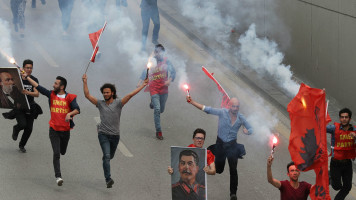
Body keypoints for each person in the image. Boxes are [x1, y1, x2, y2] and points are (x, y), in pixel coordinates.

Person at [82, 74, 148, 188]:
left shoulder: (118, 104)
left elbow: (130, 95)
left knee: (109, 156)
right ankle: (108, 179)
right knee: (107, 156)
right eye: (104, 92)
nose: (105, 94)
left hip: (115, 136)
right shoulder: (100, 104)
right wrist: (85, 82)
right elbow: (87, 95)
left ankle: (105, 160)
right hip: (103, 134)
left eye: (107, 92)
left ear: (112, 93)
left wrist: (143, 85)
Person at [186, 96, 252, 200]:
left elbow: (251, 128)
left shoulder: (241, 117)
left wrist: (247, 131)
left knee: (233, 170)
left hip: (232, 146)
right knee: (219, 169)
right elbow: (207, 109)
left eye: (237, 106)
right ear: (229, 106)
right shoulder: (222, 112)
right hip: (220, 145)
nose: (235, 108)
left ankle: (233, 194)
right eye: (233, 106)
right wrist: (192, 102)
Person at [22, 74, 80, 186]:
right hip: (54, 130)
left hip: (65, 131)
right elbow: (38, 87)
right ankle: (58, 176)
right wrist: (27, 77)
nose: (53, 85)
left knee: (63, 151)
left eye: (56, 84)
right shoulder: (51, 95)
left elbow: (77, 109)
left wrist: (70, 114)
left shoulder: (70, 97)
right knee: (56, 153)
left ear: (62, 87)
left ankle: (60, 163)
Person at [137, 44, 175, 140]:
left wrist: (169, 80)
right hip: (153, 88)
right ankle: (159, 131)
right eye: (156, 51)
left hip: (164, 89)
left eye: (159, 52)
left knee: (161, 110)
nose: (157, 53)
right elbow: (145, 71)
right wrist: (140, 82)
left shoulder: (167, 61)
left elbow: (173, 72)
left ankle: (153, 104)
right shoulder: (152, 61)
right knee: (157, 110)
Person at [12, 59, 42, 153]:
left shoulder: (34, 80)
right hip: (19, 106)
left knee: (29, 129)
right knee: (22, 124)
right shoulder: (16, 79)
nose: (29, 69)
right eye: (27, 68)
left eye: (30, 68)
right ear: (23, 68)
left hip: (30, 107)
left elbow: (37, 94)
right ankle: (16, 128)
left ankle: (22, 145)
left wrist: (28, 92)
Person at [326, 108, 356, 200]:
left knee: (347, 187)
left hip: (347, 163)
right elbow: (321, 127)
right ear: (339, 118)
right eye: (342, 117)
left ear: (349, 119)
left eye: (346, 117)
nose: (344, 119)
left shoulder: (354, 131)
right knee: (337, 187)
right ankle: (330, 176)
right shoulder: (334, 128)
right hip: (336, 163)